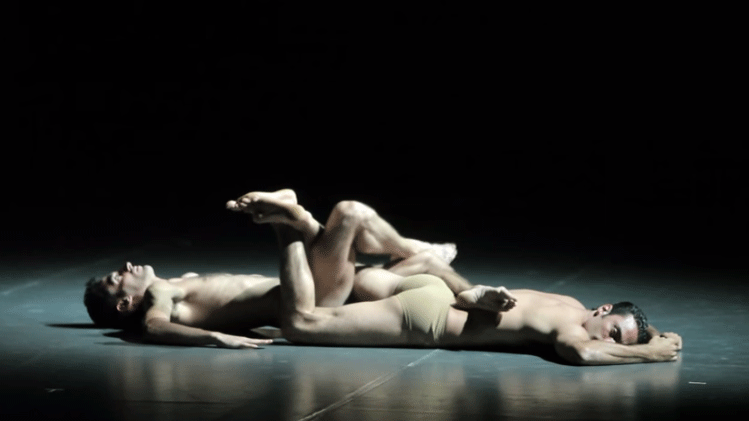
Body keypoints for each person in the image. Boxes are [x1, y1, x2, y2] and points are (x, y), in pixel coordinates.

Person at [254, 191, 683, 365]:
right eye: (612, 333)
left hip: (440, 288)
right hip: (428, 317)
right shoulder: (571, 327)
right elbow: (583, 354)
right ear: (602, 310)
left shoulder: (573, 306)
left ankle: (330, 223)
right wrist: (652, 353)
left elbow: (614, 329)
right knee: (303, 323)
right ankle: (287, 227)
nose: (606, 341)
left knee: (348, 235)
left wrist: (650, 335)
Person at [83, 189, 472, 348]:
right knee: (348, 213)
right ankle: (290, 220)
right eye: (117, 277)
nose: (126, 266)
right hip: (310, 300)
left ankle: (468, 294)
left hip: (315, 287)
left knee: (418, 258)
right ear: (124, 303)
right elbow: (153, 326)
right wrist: (216, 338)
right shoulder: (160, 293)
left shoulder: (179, 282)